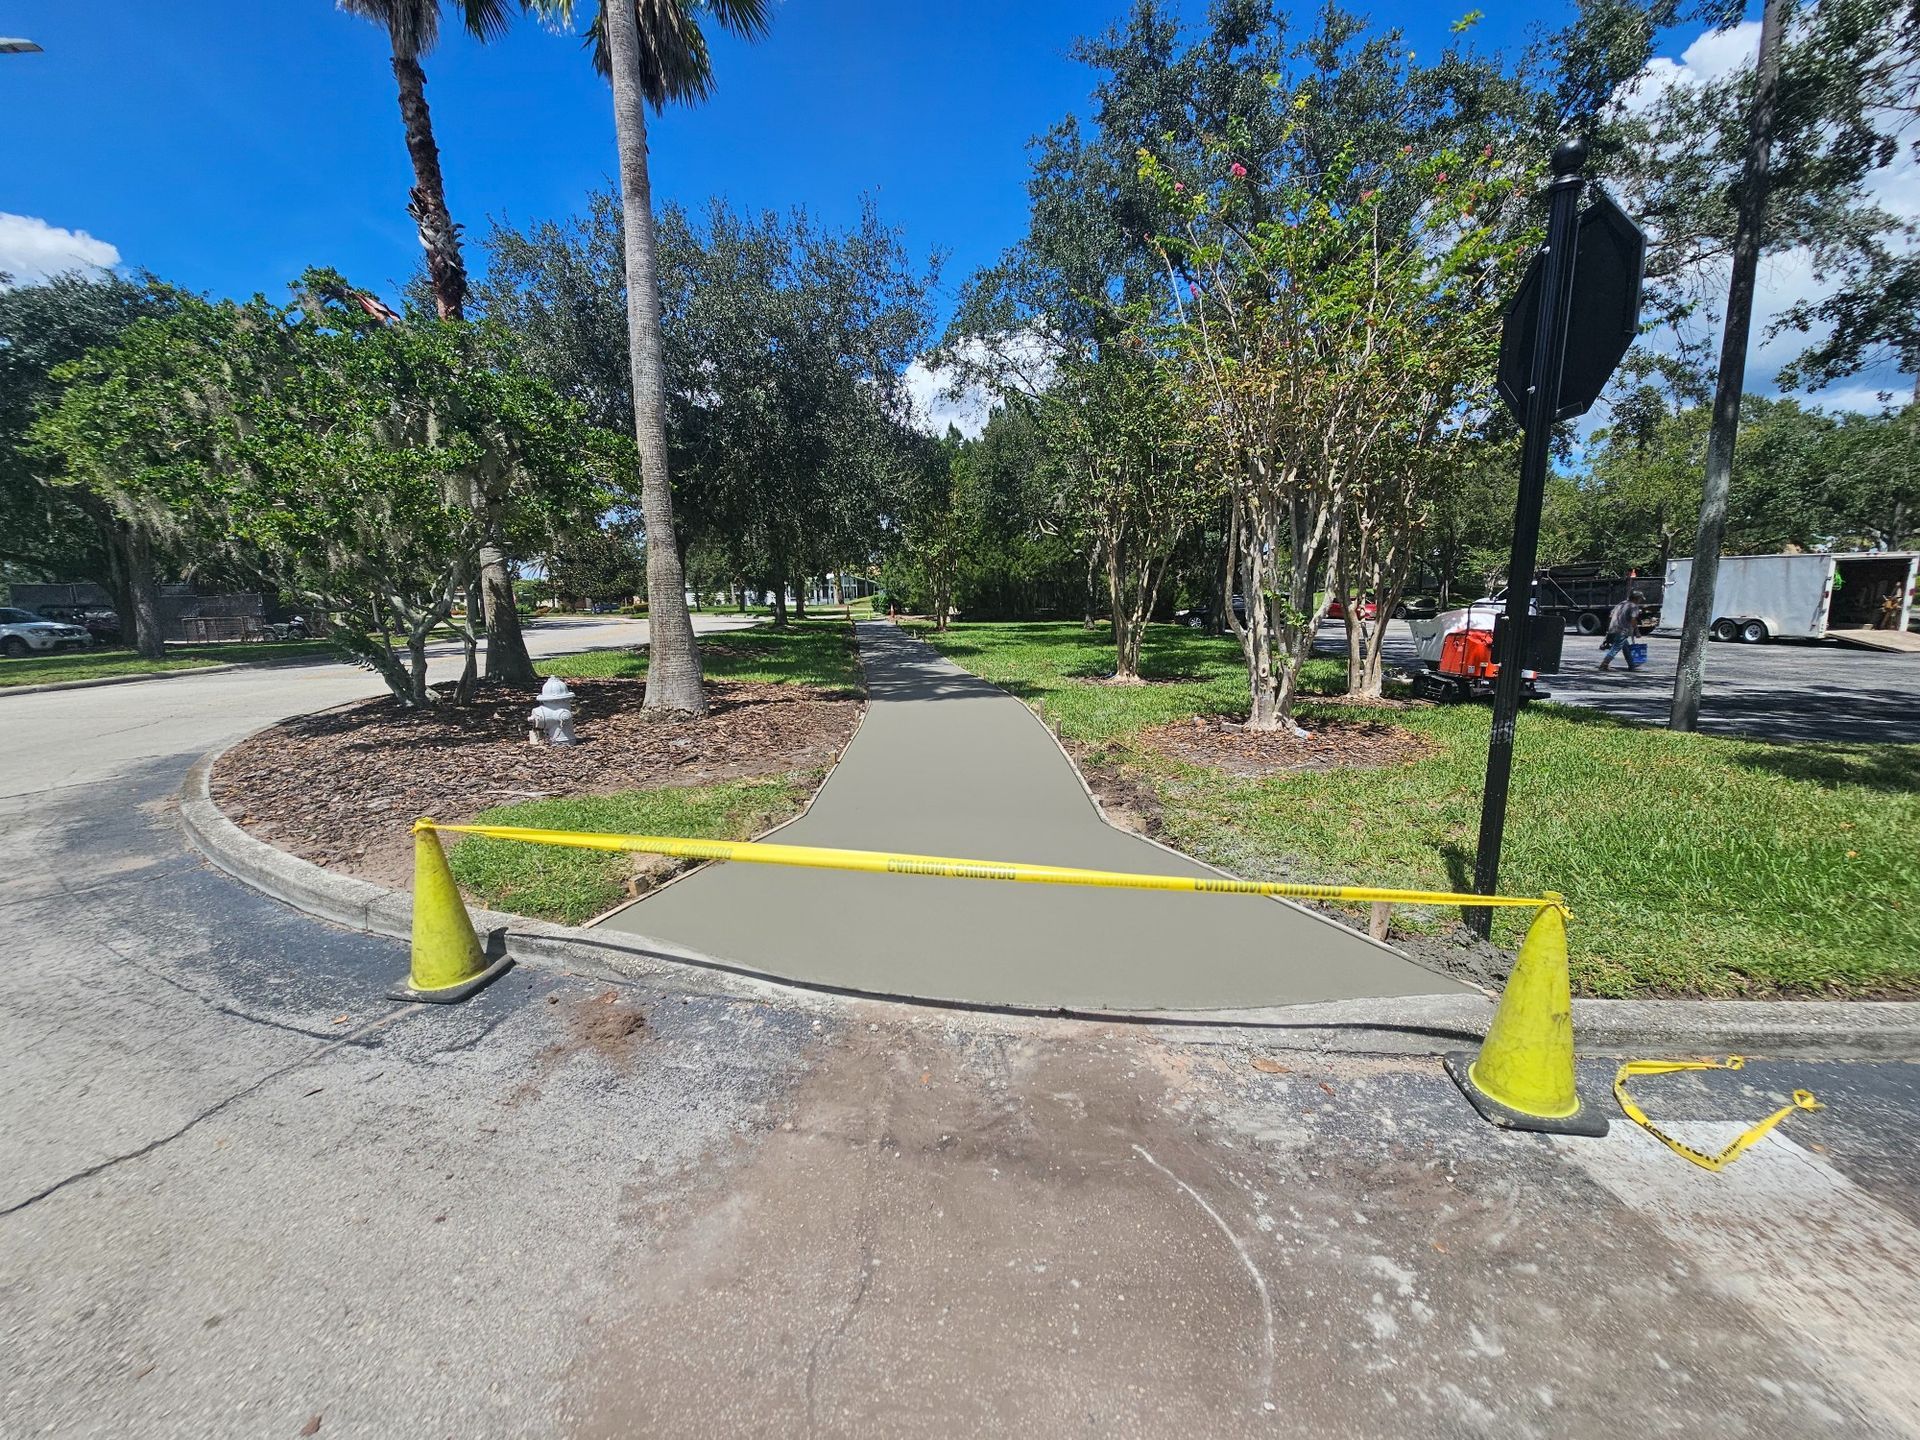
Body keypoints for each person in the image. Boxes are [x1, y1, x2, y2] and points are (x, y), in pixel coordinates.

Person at [1598, 591, 1645, 670]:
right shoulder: (1633, 606)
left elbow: (1610, 616)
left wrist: (1608, 629)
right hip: (1622, 630)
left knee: (1626, 647)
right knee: (1616, 648)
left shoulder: (1621, 604)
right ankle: (1604, 664)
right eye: (1640, 599)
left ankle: (1632, 665)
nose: (1640, 601)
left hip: (1613, 628)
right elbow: (1633, 620)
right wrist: (1637, 631)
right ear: (1636, 599)